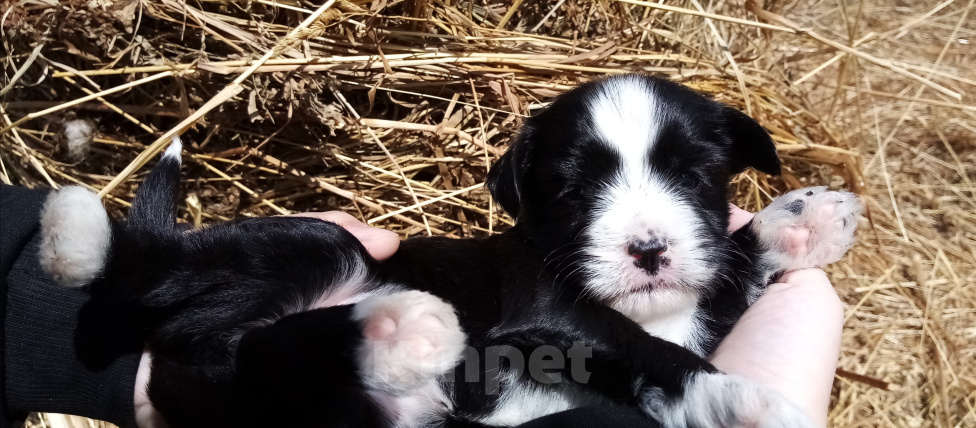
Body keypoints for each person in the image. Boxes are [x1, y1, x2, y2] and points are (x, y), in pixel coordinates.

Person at [1, 184, 842, 428]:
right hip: (411, 328)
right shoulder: (550, 276)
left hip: (353, 387)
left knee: (300, 375)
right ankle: (129, 261)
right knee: (326, 249)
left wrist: (749, 270)